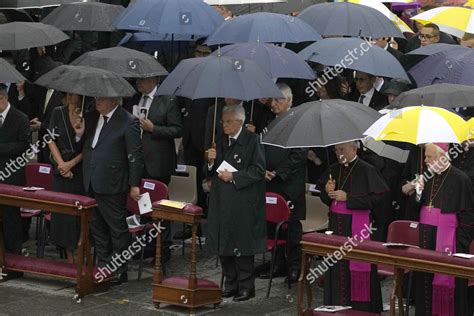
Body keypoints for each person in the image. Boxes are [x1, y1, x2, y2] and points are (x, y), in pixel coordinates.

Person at [74, 96, 144, 285]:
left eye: (102, 98)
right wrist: (79, 134)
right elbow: (85, 146)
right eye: (97, 97)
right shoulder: (90, 117)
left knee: (117, 228)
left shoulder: (128, 121)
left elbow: (134, 154)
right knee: (96, 226)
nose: (97, 101)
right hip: (91, 179)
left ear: (114, 100)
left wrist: (134, 183)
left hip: (113, 182)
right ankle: (104, 266)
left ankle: (120, 269)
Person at [317, 141, 388, 313]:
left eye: (342, 149)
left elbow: (377, 199)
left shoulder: (366, 169)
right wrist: (328, 192)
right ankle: (336, 305)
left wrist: (348, 197)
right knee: (336, 265)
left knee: (357, 265)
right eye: (335, 150)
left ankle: (361, 308)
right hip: (336, 225)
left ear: (354, 149)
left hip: (356, 228)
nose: (338, 153)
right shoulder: (333, 169)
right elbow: (326, 199)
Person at [205, 104, 266, 302]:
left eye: (228, 121)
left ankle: (246, 287)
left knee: (241, 244)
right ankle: (230, 284)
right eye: (223, 121)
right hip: (222, 200)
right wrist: (211, 161)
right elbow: (213, 171)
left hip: (243, 201)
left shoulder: (252, 141)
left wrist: (235, 176)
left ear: (240, 122)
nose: (224, 125)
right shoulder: (221, 141)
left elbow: (258, 171)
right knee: (225, 242)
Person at [413, 143, 473, 316]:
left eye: (429, 156)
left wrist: (459, 244)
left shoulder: (461, 179)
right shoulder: (428, 177)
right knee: (425, 283)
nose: (425, 160)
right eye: (426, 156)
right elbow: (420, 207)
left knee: (451, 290)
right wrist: (418, 192)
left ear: (442, 156)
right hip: (426, 239)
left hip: (449, 244)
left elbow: (468, 216)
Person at [259, 83, 306, 283]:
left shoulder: (298, 124)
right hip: (270, 182)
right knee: (272, 223)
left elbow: (299, 155)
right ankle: (277, 263)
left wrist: (278, 173)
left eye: (278, 99)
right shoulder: (269, 123)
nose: (274, 103)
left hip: (289, 185)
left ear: (288, 101)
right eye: (272, 99)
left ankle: (294, 266)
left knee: (292, 226)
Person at [135, 75, 183, 262]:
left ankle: (163, 247)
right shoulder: (136, 98)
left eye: (142, 80)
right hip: (140, 161)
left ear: (154, 80)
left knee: (160, 205)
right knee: (143, 204)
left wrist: (154, 128)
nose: (139, 83)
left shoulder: (167, 99)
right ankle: (147, 244)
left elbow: (177, 129)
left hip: (159, 162)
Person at [48, 92, 84, 263]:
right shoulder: (58, 112)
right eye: (68, 93)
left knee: (77, 216)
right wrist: (62, 164)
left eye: (74, 93)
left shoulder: (87, 116)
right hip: (60, 168)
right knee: (63, 216)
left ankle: (79, 250)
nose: (70, 96)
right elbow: (50, 139)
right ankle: (68, 253)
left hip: (79, 170)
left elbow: (88, 147)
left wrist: (71, 164)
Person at [0, 84, 31, 254]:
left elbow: (24, 145)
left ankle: (14, 254)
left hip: (11, 173)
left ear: (4, 98)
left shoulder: (20, 118)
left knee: (10, 216)